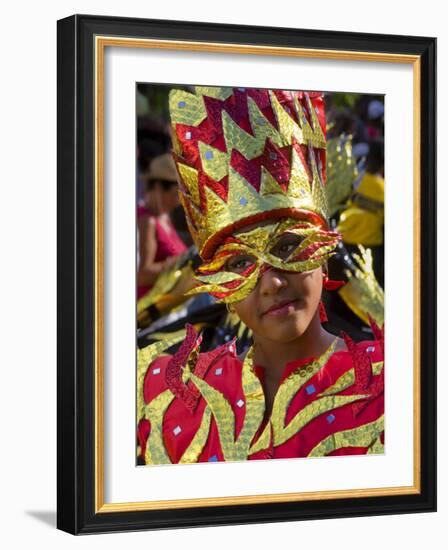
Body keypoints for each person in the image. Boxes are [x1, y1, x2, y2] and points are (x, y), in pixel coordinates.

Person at [137, 86, 384, 465]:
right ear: (219, 287)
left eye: (286, 247)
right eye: (239, 263)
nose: (272, 283)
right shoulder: (174, 398)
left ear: (323, 254)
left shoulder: (398, 384)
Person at [137, 153, 188, 299]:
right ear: (158, 188)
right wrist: (181, 263)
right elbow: (142, 275)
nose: (178, 202)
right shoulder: (147, 221)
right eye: (175, 195)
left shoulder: (164, 217)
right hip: (151, 312)